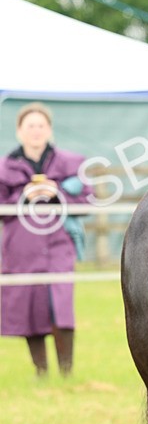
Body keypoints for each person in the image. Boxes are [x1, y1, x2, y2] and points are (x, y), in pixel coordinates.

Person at [0, 103, 91, 376]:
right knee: (31, 306)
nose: (36, 131)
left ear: (49, 130)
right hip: (21, 246)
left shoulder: (71, 163)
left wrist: (57, 192)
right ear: (19, 131)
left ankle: (67, 372)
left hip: (58, 242)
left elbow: (86, 201)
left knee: (60, 304)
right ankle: (41, 372)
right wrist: (23, 196)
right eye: (30, 126)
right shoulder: (5, 167)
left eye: (41, 125)